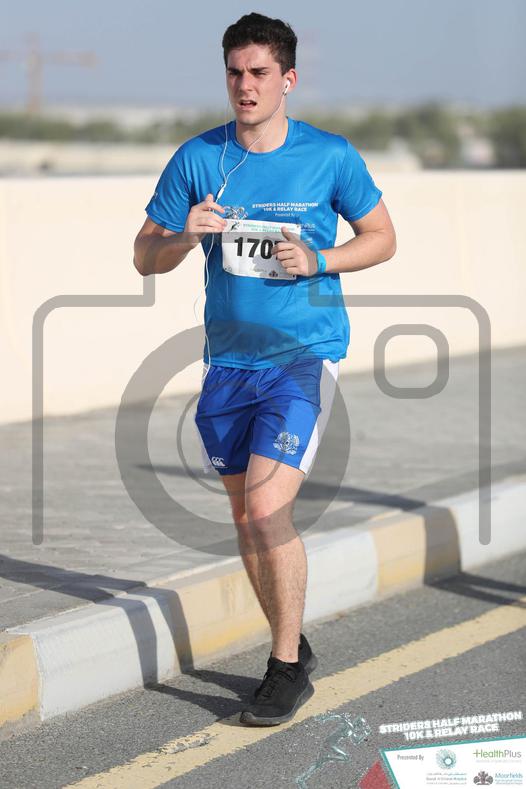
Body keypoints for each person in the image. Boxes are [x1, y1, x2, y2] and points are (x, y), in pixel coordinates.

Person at [133, 11, 396, 727]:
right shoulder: (198, 158)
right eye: (234, 72)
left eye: (258, 72)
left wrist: (320, 258)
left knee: (266, 508)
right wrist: (182, 236)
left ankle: (283, 669)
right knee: (245, 520)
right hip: (227, 365)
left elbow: (381, 237)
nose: (244, 85)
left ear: (288, 79)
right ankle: (293, 641)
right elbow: (144, 256)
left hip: (302, 357)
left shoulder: (329, 156)